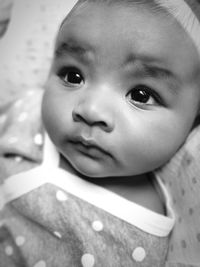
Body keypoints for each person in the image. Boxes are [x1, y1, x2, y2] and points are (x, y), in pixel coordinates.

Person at [1, 0, 200, 266]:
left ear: (195, 117)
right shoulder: (28, 111)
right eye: (73, 76)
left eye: (141, 95)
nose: (91, 110)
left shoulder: (135, 242)